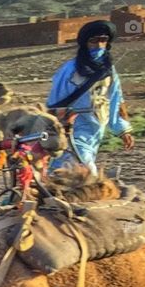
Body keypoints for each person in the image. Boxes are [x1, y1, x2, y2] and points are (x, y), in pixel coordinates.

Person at [47, 20, 133, 174]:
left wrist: (123, 130)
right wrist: (60, 128)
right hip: (75, 128)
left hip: (96, 130)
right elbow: (55, 103)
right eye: (94, 41)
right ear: (85, 43)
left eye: (103, 40)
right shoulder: (70, 70)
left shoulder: (109, 70)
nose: (99, 45)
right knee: (85, 170)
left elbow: (115, 99)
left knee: (66, 172)